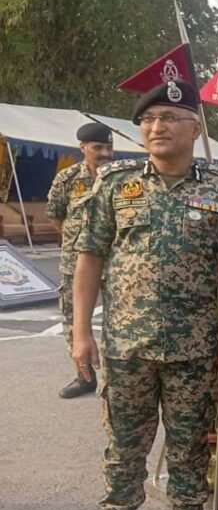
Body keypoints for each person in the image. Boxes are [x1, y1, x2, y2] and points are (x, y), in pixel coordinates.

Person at [72, 80, 218, 510]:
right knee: (124, 447)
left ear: (195, 128)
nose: (158, 127)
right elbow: (90, 258)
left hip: (194, 345)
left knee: (189, 444)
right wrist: (80, 331)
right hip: (127, 344)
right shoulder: (116, 183)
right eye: (149, 120)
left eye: (170, 118)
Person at [46, 122, 114, 398]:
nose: (105, 153)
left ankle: (118, 379)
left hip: (115, 263)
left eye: (108, 147)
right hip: (75, 263)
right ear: (83, 147)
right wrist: (78, 242)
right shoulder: (68, 178)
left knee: (120, 319)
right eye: (98, 147)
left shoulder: (121, 178)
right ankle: (84, 376)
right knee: (73, 319)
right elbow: (55, 215)